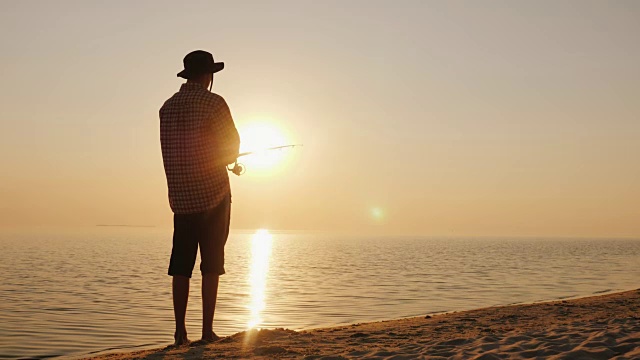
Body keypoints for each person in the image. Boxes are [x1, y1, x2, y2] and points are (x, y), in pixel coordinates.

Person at [159, 50, 240, 346]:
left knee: (181, 265)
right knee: (211, 263)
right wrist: (229, 159)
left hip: (180, 198)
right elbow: (231, 146)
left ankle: (180, 332)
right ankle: (207, 331)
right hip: (212, 195)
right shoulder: (214, 103)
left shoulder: (166, 108)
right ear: (209, 75)